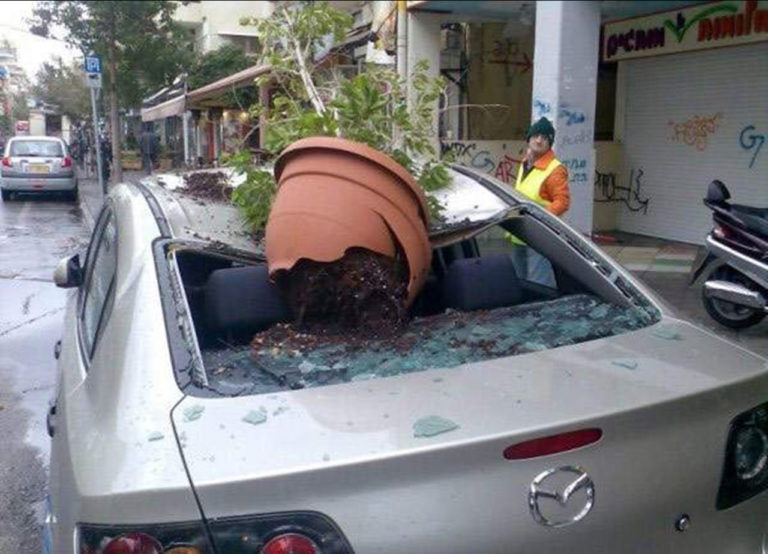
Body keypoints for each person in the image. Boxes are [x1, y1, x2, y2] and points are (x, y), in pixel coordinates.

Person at [508, 116, 570, 286]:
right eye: (536, 136)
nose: (539, 140)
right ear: (529, 139)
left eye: (544, 137)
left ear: (550, 143)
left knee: (538, 283)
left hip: (538, 233)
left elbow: (562, 201)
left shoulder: (554, 169)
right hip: (520, 232)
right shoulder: (526, 163)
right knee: (519, 281)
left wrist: (539, 218)